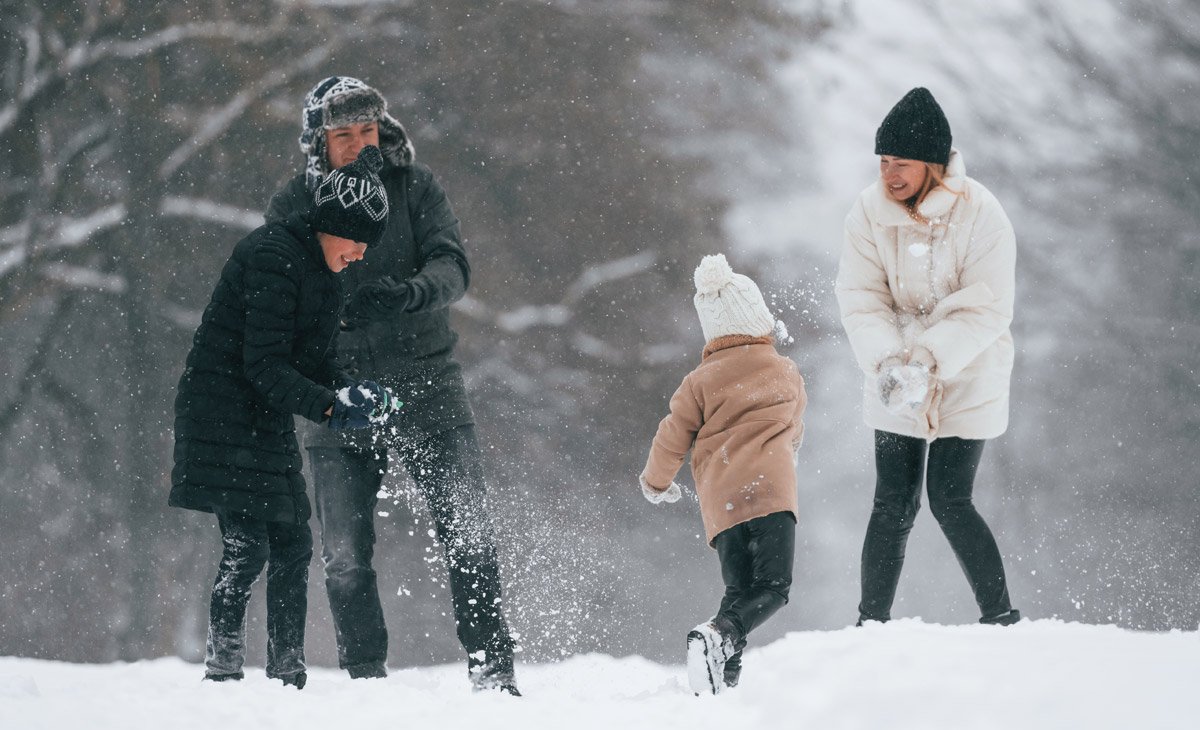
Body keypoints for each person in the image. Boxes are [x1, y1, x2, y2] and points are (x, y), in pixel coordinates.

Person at [264, 76, 518, 694]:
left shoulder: (416, 187)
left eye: (367, 131)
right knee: (345, 559)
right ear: (318, 141)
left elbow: (453, 266)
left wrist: (409, 294)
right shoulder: (295, 200)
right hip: (336, 396)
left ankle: (492, 669)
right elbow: (271, 290)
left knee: (469, 533)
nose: (357, 144)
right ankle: (365, 682)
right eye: (343, 134)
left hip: (427, 381)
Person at [170, 146, 400, 688]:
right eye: (358, 241)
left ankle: (286, 673)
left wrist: (353, 394)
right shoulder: (274, 254)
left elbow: (311, 360)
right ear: (333, 224)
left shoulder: (326, 272)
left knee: (293, 542)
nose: (361, 255)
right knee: (249, 543)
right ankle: (223, 667)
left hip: (264, 411)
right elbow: (264, 363)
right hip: (220, 411)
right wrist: (328, 406)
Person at [835, 87, 1021, 627]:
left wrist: (928, 359)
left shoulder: (982, 213)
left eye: (903, 163)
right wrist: (891, 362)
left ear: (933, 164)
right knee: (892, 501)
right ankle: (871, 624)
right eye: (884, 161)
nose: (890, 174)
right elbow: (861, 298)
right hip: (892, 371)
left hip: (969, 369)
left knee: (949, 498)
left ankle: (1000, 617)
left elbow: (988, 308)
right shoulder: (867, 212)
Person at [641, 254, 807, 695]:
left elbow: (672, 433)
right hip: (771, 495)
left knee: (739, 591)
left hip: (724, 504)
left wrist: (657, 481)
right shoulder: (784, 370)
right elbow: (795, 428)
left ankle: (722, 675)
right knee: (773, 588)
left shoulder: (699, 381)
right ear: (759, 319)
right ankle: (718, 639)